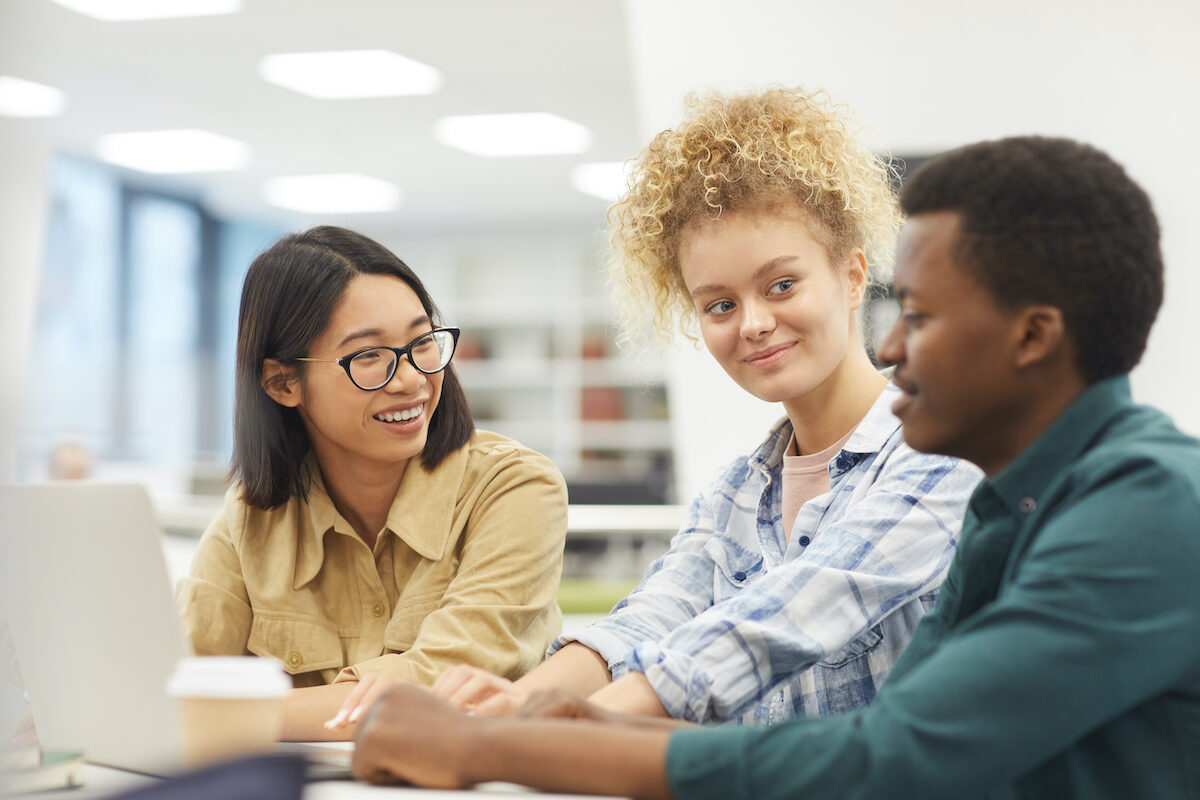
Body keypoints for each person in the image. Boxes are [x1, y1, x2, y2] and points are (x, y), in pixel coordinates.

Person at [351, 135, 1200, 798]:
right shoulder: (1014, 504)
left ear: (1032, 336)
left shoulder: (1144, 507)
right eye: (719, 304)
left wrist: (507, 745)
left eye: (922, 315)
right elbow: (857, 737)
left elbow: (888, 756)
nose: (895, 344)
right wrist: (550, 719)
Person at [419, 87, 981, 727]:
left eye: (781, 285)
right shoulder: (737, 495)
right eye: (720, 304)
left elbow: (803, 607)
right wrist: (521, 703)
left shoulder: (943, 453)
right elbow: (651, 616)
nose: (754, 323)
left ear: (853, 278)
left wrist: (578, 724)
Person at [176, 226, 568, 741]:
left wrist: (224, 717)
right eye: (368, 356)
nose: (410, 380)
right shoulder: (253, 516)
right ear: (282, 383)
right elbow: (178, 672)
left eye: (422, 342)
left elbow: (439, 688)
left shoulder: (514, 488)